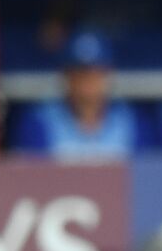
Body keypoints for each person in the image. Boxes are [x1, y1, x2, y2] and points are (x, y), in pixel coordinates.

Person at [9, 30, 144, 160]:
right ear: (66, 76)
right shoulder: (40, 122)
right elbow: (31, 179)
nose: (87, 82)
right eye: (80, 74)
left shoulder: (130, 122)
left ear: (107, 74)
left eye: (95, 73)